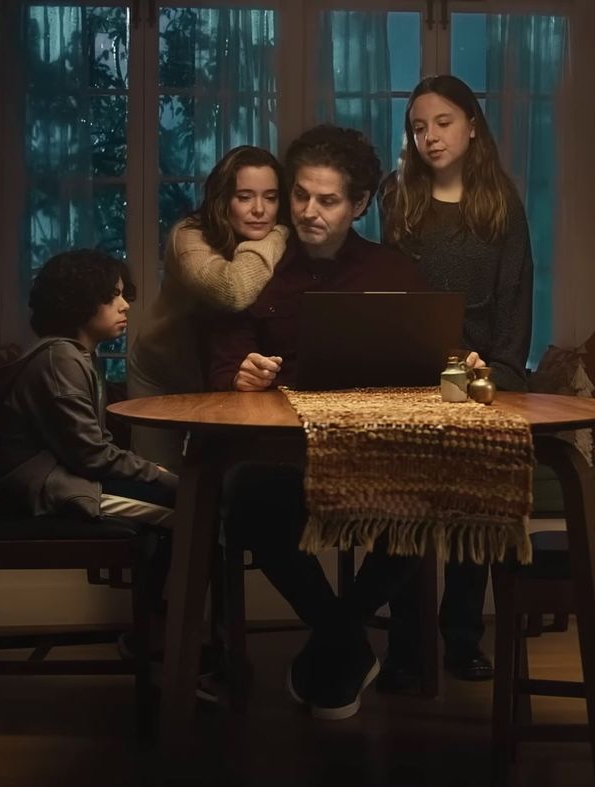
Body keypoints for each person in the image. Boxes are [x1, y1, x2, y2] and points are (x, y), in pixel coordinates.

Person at [203, 125, 486, 720]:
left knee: (428, 496)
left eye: (327, 200)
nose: (308, 211)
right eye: (299, 195)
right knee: (246, 496)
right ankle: (348, 641)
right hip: (283, 456)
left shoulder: (395, 272)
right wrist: (241, 376)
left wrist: (464, 367)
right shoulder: (255, 269)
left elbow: (445, 363)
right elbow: (223, 363)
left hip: (378, 455)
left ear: (359, 205)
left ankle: (336, 639)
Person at [377, 74, 536, 689]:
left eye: (442, 122)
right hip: (410, 372)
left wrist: (496, 371)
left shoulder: (502, 205)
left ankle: (463, 639)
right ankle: (405, 645)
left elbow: (516, 302)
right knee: (403, 508)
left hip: (482, 378)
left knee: (475, 506)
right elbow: (387, 294)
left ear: (472, 125)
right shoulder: (398, 197)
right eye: (418, 127)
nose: (429, 137)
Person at [126, 145, 289, 470]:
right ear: (223, 199)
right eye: (245, 196)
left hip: (219, 374)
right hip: (162, 371)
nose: (260, 209)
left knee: (215, 480)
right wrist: (276, 236)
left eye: (270, 197)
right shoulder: (188, 237)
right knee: (158, 477)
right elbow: (234, 290)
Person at [0, 249, 177, 525]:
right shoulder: (61, 359)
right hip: (41, 486)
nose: (125, 305)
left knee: (183, 498)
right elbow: (91, 456)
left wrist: (153, 473)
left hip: (62, 477)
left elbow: (94, 444)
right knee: (190, 512)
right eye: (112, 296)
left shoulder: (79, 355)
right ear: (79, 302)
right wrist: (158, 474)